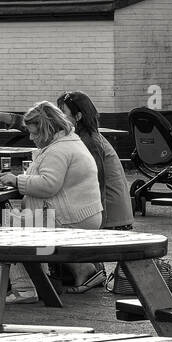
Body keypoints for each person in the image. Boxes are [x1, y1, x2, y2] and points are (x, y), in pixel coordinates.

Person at [0, 100, 102, 303]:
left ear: (46, 130)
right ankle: (40, 282)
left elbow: (48, 185)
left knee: (8, 227)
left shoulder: (58, 150)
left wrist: (17, 179)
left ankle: (26, 288)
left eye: (34, 133)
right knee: (22, 221)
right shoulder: (69, 142)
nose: (31, 137)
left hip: (69, 217)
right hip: (82, 214)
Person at [57, 90, 139, 294]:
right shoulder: (82, 136)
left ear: (78, 117)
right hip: (111, 213)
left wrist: (98, 219)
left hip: (111, 217)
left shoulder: (88, 141)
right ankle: (88, 268)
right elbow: (41, 127)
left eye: (62, 113)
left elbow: (98, 183)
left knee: (47, 219)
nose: (58, 118)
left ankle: (86, 270)